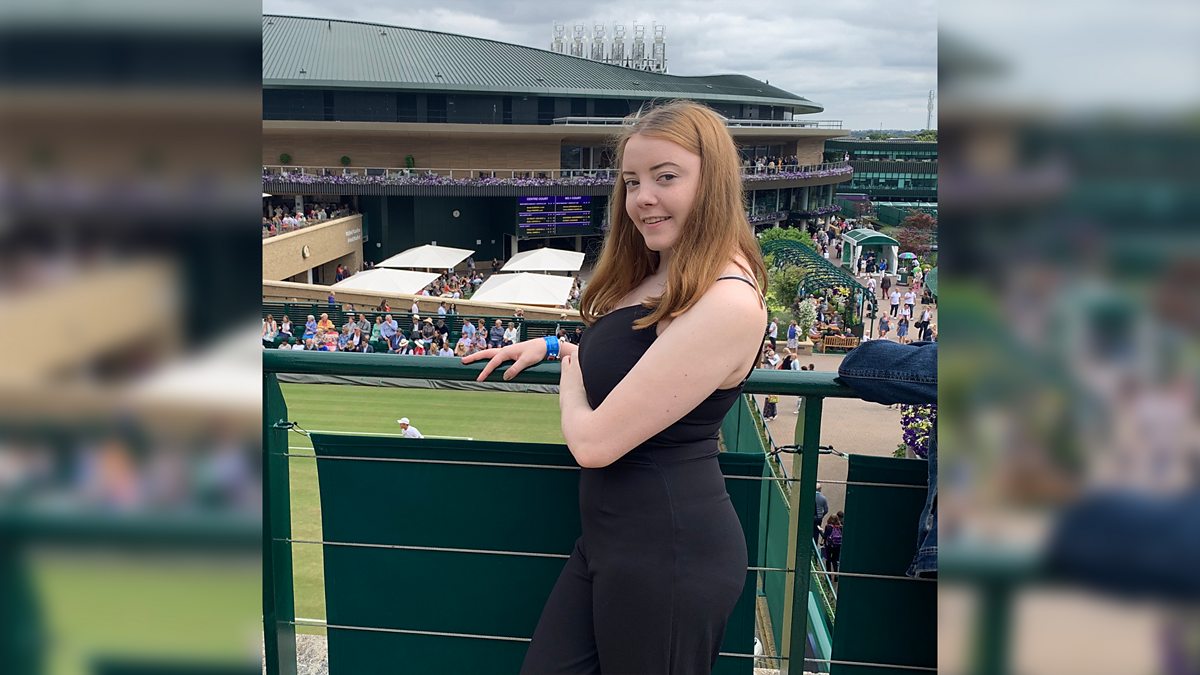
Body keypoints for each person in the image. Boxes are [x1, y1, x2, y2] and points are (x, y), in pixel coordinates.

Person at [462, 100, 766, 674]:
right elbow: (632, 364)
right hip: (612, 543)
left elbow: (594, 444)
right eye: (631, 181)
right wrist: (553, 347)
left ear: (714, 184)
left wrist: (570, 384)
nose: (643, 197)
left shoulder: (727, 299)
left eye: (666, 177)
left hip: (669, 554)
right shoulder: (660, 270)